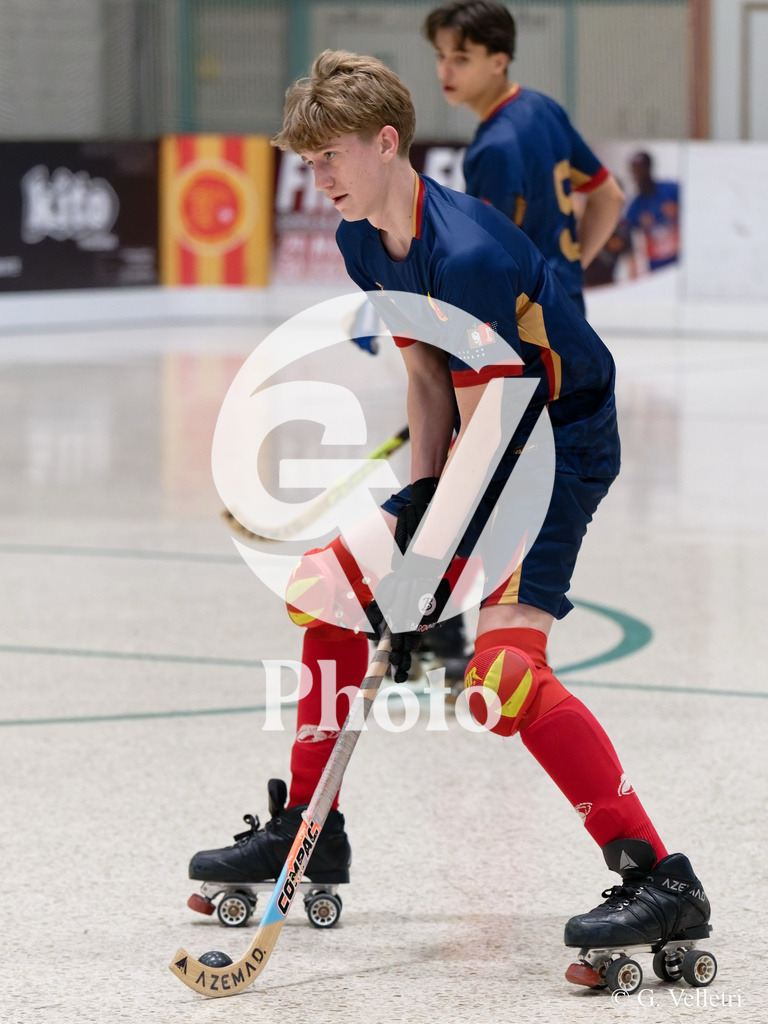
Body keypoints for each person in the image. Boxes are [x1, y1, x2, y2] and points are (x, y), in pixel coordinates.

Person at [188, 51, 712, 981]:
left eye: (332, 159)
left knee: (504, 677)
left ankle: (659, 875)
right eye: (308, 166)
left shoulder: (468, 253)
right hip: (487, 429)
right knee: (324, 592)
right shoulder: (364, 239)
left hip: (560, 442)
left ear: (388, 143)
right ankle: (311, 828)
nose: (320, 181)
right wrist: (417, 522)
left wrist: (424, 564)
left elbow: (501, 430)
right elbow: (428, 377)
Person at [423, 0, 624, 315]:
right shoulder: (544, 108)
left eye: (461, 59)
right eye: (440, 56)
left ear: (498, 61)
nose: (444, 71)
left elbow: (484, 259)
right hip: (566, 307)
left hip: (525, 323)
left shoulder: (494, 147)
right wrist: (566, 272)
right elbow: (609, 196)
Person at [626, 150, 680, 271]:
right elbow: (626, 230)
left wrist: (677, 209)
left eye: (642, 169)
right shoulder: (636, 206)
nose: (639, 175)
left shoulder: (670, 189)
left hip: (679, 258)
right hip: (657, 264)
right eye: (635, 170)